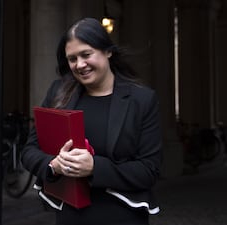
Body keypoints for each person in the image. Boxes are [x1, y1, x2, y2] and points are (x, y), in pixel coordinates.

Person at [21, 17, 162, 225]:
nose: (79, 65)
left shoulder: (142, 100)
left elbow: (149, 170)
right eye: (72, 59)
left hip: (123, 217)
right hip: (70, 217)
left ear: (108, 51)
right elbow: (29, 151)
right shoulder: (58, 93)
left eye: (86, 54)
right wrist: (54, 165)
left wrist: (95, 167)